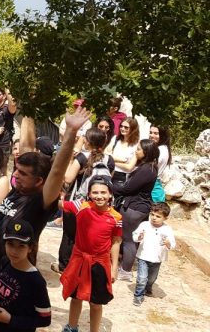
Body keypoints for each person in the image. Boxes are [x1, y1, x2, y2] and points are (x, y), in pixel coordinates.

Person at [0, 108, 90, 332]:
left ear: (39, 181)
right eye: (17, 171)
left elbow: (56, 172)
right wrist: (26, 108)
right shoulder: (18, 190)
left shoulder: (40, 202)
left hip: (12, 282)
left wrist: (71, 132)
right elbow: (25, 147)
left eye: (23, 174)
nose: (15, 175)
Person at [59, 176, 122, 332]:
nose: (99, 196)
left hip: (99, 264)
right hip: (79, 260)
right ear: (89, 194)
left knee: (96, 303)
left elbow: (116, 242)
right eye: (95, 192)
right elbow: (59, 203)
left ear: (110, 194)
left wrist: (114, 268)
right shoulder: (81, 205)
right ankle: (71, 327)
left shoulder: (117, 218)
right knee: (76, 297)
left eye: (103, 192)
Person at [0, 219, 52, 332]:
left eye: (21, 246)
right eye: (10, 244)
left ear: (30, 248)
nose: (14, 251)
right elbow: (4, 295)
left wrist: (10, 319)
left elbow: (45, 319)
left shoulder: (35, 281)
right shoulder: (6, 261)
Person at [54, 128, 113, 274]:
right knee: (87, 236)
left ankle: (64, 266)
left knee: (69, 235)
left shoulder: (81, 157)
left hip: (77, 203)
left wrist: (71, 160)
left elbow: (68, 178)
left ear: (87, 141)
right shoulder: (109, 160)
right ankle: (83, 267)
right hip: (96, 205)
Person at [113, 139, 159, 282]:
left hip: (135, 207)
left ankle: (125, 271)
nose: (136, 151)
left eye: (139, 149)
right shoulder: (149, 167)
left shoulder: (147, 169)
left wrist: (110, 185)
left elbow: (128, 188)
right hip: (139, 206)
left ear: (146, 152)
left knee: (128, 240)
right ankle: (124, 266)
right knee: (131, 239)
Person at [132, 202, 175, 306]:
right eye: (152, 214)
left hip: (157, 258)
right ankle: (138, 295)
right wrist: (139, 237)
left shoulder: (167, 229)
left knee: (152, 278)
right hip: (143, 256)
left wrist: (168, 243)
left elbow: (173, 244)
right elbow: (135, 236)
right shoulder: (144, 225)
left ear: (165, 218)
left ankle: (148, 288)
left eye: (158, 216)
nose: (154, 218)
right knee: (142, 278)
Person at [105, 117, 139, 192]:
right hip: (109, 172)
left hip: (123, 178)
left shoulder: (136, 145)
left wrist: (112, 161)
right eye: (121, 126)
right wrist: (121, 160)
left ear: (133, 129)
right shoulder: (115, 139)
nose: (122, 129)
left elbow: (129, 167)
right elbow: (105, 155)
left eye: (126, 127)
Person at [149, 126, 172, 203]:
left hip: (153, 188)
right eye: (150, 132)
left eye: (156, 133)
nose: (152, 135)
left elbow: (149, 167)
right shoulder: (163, 148)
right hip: (155, 186)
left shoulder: (160, 150)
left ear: (162, 135)